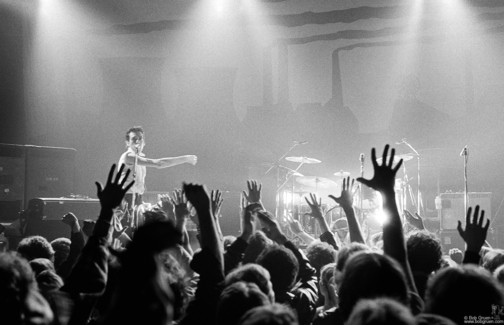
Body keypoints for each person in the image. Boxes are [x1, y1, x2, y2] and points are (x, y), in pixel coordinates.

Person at [118, 126, 197, 209]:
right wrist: (185, 159)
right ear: (127, 143)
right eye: (134, 139)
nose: (137, 141)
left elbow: (138, 192)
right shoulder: (128, 156)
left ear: (144, 143)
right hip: (126, 199)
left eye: (140, 138)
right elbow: (159, 163)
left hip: (136, 199)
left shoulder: (140, 160)